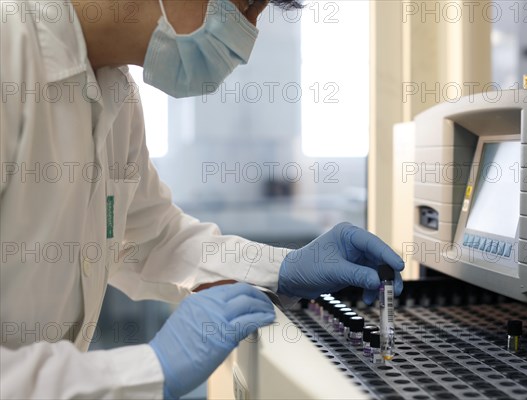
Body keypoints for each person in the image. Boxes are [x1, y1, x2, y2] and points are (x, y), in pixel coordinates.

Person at [0, 0, 404, 398]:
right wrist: (148, 368)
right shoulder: (9, 49)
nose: (248, 39)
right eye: (247, 5)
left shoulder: (115, 94)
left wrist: (284, 268)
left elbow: (152, 238)